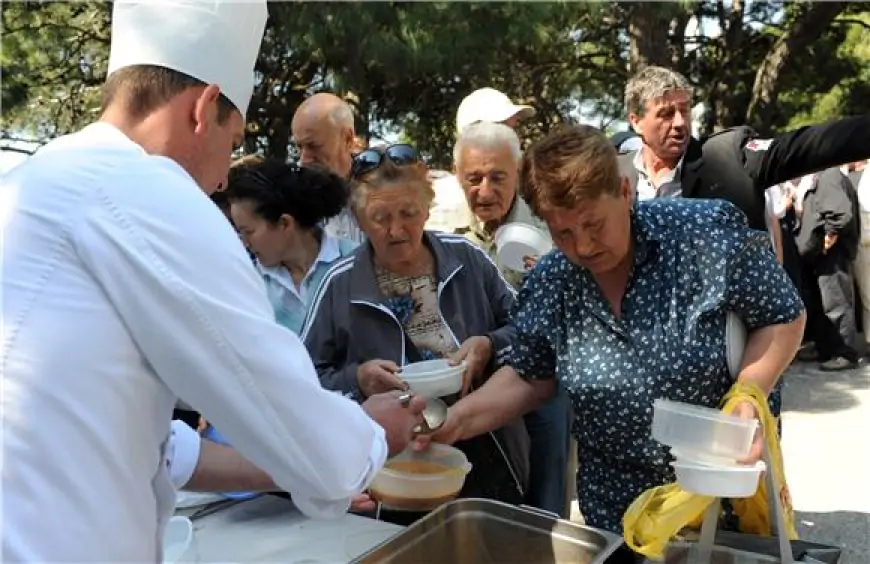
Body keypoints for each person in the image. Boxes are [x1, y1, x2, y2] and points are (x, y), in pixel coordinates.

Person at [0, 2, 423, 561]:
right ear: (202, 110)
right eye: (232, 140)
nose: (225, 176)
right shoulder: (146, 190)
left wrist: (289, 466)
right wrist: (370, 437)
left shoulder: (29, 183)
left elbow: (143, 435)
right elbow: (290, 413)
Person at [421, 125, 805, 562]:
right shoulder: (554, 281)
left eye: (593, 224)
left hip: (718, 508)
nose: (582, 246)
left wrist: (750, 392)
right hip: (616, 520)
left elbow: (783, 315)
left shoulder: (702, 235)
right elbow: (530, 376)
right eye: (562, 234)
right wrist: (453, 421)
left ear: (624, 191)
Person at [300, 145, 530, 520]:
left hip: (485, 451)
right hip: (390, 467)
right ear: (358, 219)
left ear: (427, 208)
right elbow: (302, 383)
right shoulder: (338, 283)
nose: (396, 230)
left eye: (408, 213)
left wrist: (489, 345)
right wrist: (357, 379)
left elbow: (529, 330)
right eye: (379, 217)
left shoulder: (467, 259)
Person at [450, 121, 572, 517]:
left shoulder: (549, 221)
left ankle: (548, 538)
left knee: (548, 458)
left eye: (497, 177)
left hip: (540, 371)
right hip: (471, 374)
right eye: (474, 178)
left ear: (518, 174)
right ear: (457, 176)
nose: (485, 191)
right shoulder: (441, 229)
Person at [618, 66, 870, 231]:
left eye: (684, 110)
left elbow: (805, 147)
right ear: (636, 121)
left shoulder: (729, 155)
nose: (680, 123)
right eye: (666, 114)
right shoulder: (613, 174)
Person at [291, 93, 365, 243]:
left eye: (313, 146)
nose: (304, 159)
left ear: (347, 138)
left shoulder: (381, 193)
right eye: (299, 147)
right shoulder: (293, 204)